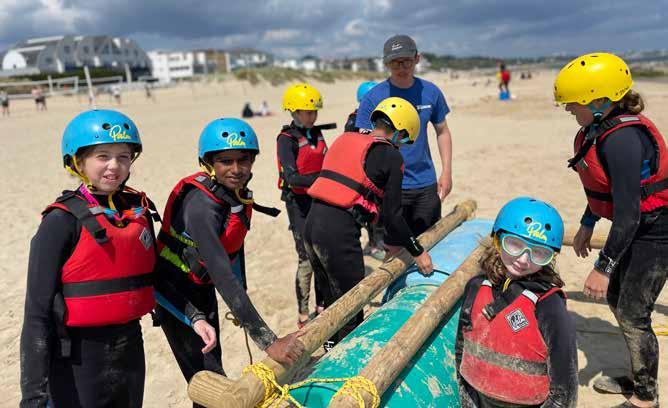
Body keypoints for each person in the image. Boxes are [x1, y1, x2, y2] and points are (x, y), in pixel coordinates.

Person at [19, 109, 216, 407]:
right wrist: (33, 398)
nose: (114, 166)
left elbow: (152, 278)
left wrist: (195, 318)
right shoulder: (60, 222)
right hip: (77, 359)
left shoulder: (137, 213)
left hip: (129, 348)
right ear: (77, 162)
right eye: (103, 156)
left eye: (123, 157)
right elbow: (36, 315)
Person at [155, 118, 304, 396]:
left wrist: (241, 293)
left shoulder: (231, 195)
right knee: (208, 377)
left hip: (201, 286)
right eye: (226, 161)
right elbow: (222, 274)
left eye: (243, 160)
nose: (236, 169)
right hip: (176, 294)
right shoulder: (201, 206)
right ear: (208, 162)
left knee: (213, 370)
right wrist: (269, 342)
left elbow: (233, 248)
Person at [555, 52, 668, 408]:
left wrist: (602, 267)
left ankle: (646, 398)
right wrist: (587, 223)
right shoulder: (599, 130)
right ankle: (638, 378)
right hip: (636, 227)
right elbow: (606, 190)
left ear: (600, 100)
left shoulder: (622, 140)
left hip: (656, 231)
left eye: (574, 103)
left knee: (634, 313)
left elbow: (629, 215)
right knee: (620, 301)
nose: (568, 108)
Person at [306, 97, 434, 347]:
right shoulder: (391, 156)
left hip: (311, 226)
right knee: (352, 307)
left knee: (330, 302)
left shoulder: (346, 138)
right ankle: (344, 362)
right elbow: (393, 217)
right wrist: (418, 251)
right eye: (405, 140)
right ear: (400, 131)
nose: (402, 146)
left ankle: (328, 350)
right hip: (338, 233)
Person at [455, 197, 578, 407]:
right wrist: (466, 395)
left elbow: (565, 374)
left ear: (551, 257)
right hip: (477, 396)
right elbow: (461, 344)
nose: (523, 260)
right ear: (497, 239)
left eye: (539, 253)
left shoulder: (548, 304)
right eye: (514, 244)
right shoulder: (476, 287)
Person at [356, 34, 453, 251]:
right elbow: (363, 143)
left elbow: (443, 132)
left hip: (425, 183)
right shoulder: (373, 97)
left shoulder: (431, 92)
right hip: (390, 186)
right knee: (394, 250)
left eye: (407, 61)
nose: (401, 67)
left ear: (417, 58)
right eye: (395, 62)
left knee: (431, 244)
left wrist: (446, 172)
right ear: (386, 63)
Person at [277, 83, 333, 328]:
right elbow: (292, 178)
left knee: (322, 255)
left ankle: (322, 306)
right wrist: (324, 178)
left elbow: (327, 161)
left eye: (314, 112)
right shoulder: (286, 139)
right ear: (294, 111)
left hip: (319, 198)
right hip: (298, 203)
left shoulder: (317, 134)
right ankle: (303, 313)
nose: (312, 117)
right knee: (306, 259)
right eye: (307, 113)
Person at [345, 81, 386, 261]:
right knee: (367, 209)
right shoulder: (354, 120)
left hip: (377, 170)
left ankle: (377, 242)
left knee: (379, 209)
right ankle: (372, 245)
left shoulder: (379, 119)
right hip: (362, 173)